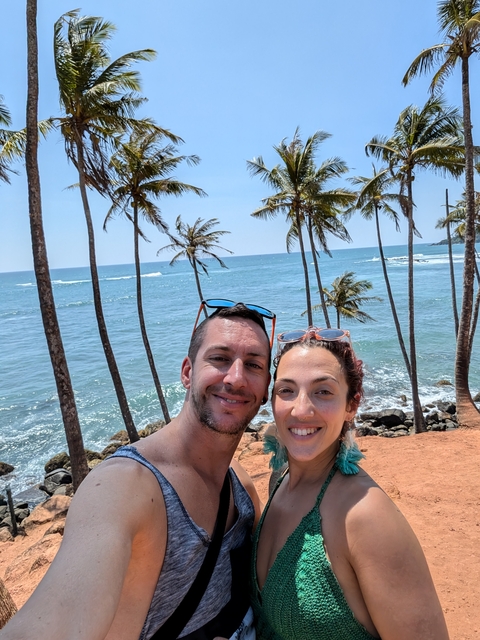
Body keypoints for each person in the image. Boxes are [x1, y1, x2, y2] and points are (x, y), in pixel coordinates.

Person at [1, 299, 275, 640]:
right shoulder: (126, 486)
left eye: (253, 365)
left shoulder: (241, 488)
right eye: (219, 359)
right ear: (188, 372)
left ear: (266, 389)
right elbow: (59, 617)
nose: (235, 378)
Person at [251, 327, 449, 640]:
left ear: (351, 405)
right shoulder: (280, 480)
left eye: (323, 391)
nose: (301, 409)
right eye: (286, 391)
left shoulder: (366, 516)